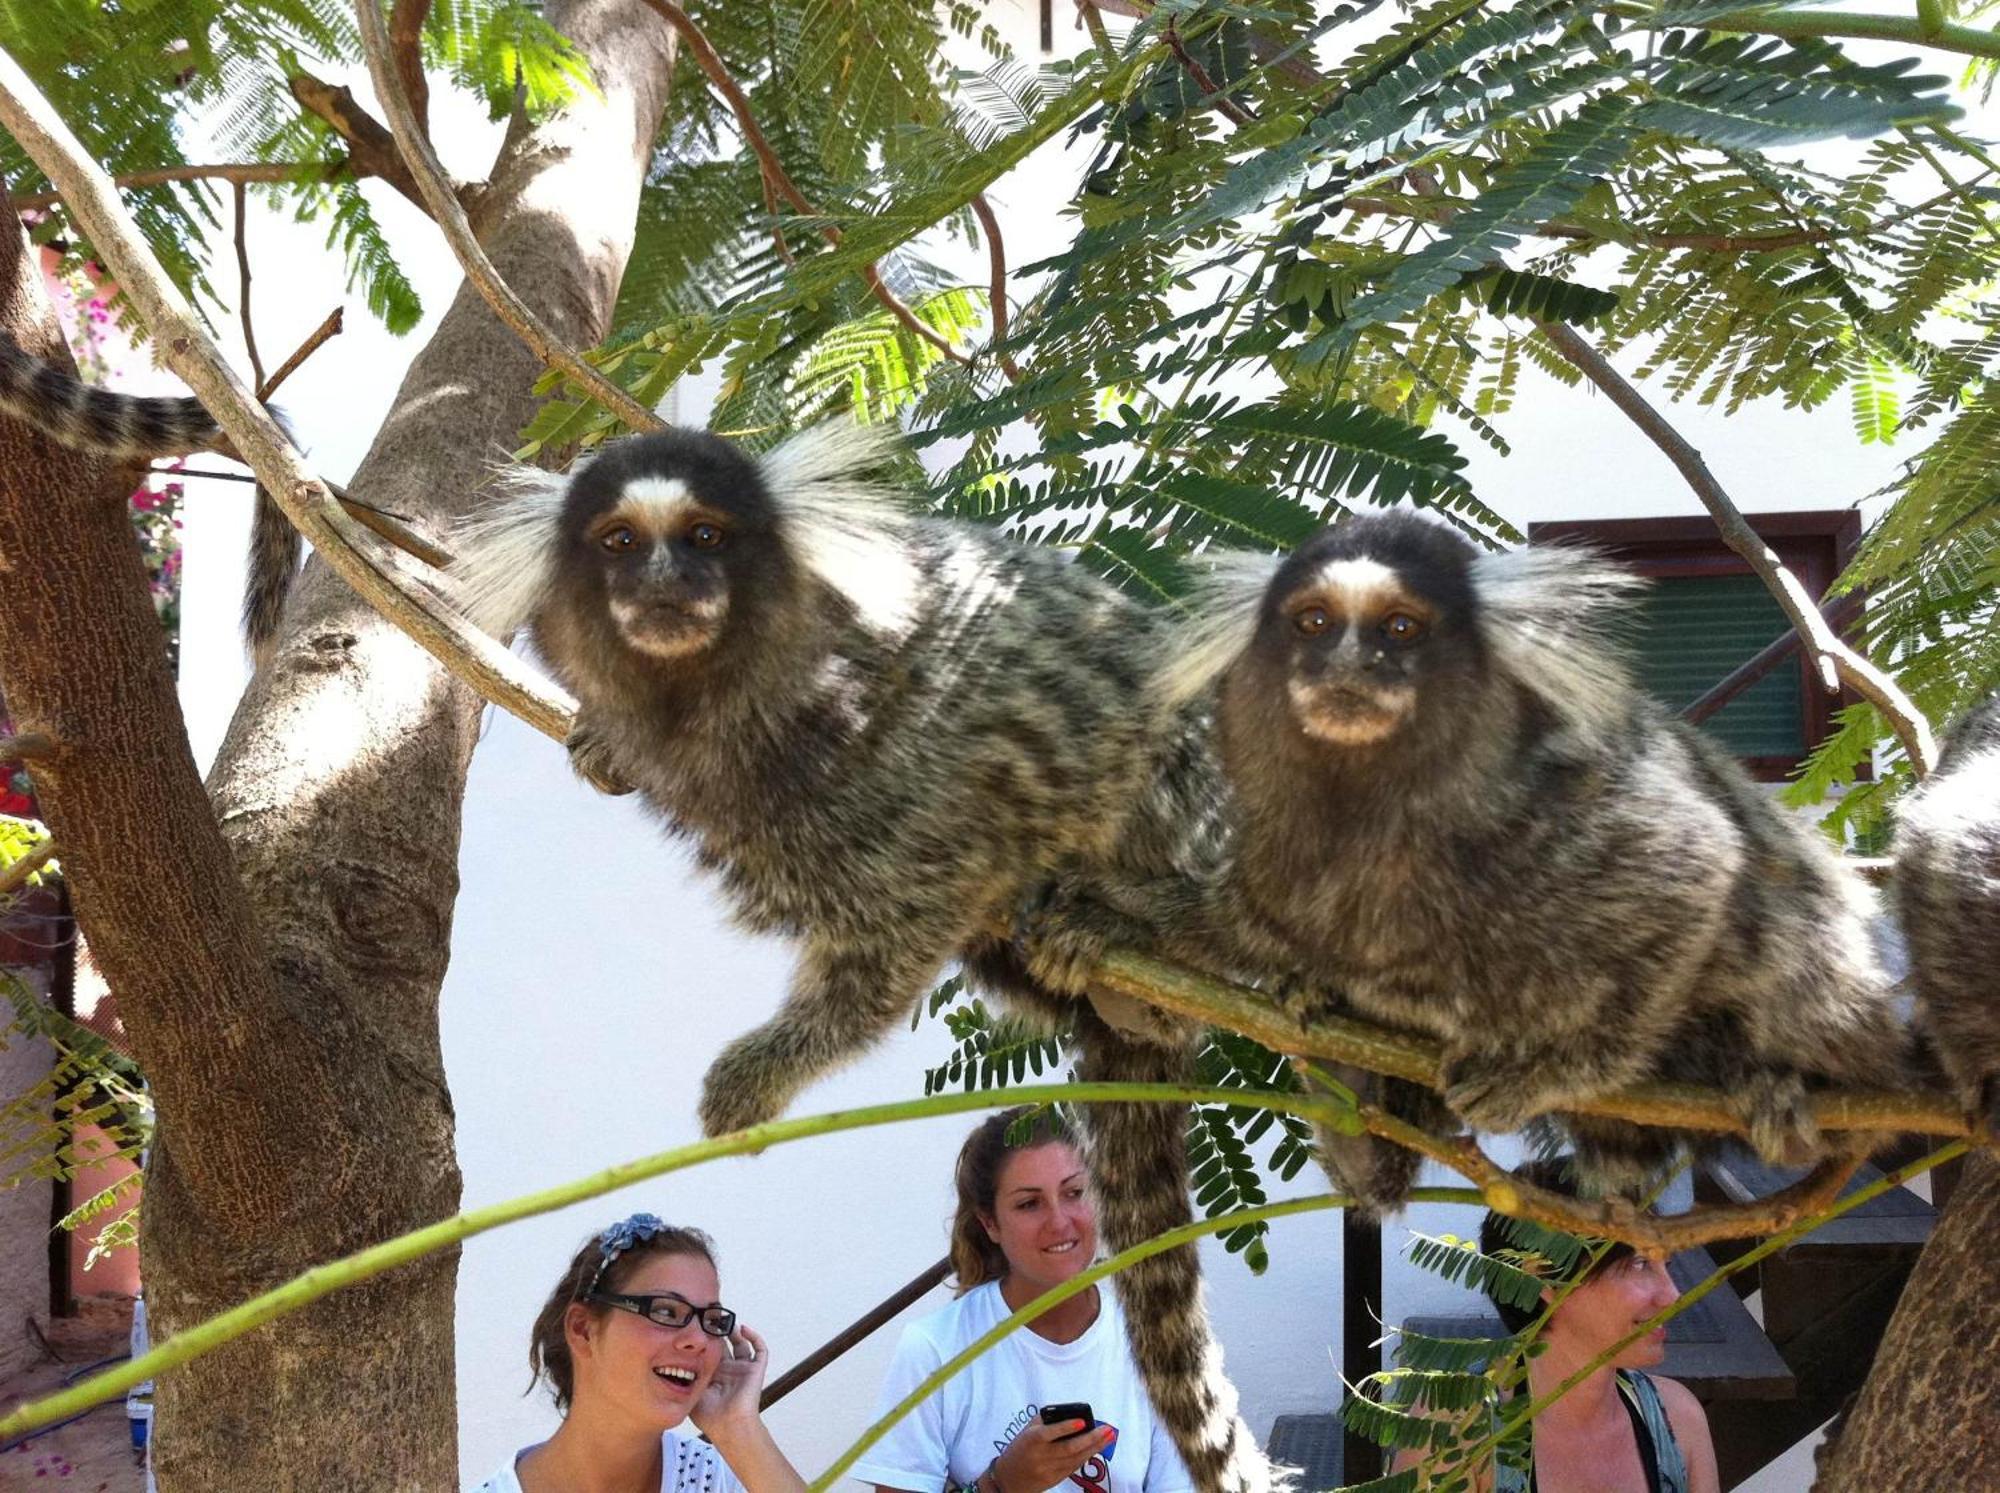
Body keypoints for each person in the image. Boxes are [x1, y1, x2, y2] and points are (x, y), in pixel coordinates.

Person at [854, 1108, 1193, 1493]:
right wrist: (1001, 1484)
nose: (1060, 1221)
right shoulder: (935, 1351)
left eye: (1074, 1193)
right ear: (990, 1224)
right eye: (1029, 1204)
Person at [1393, 1166, 1721, 1493]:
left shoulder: (1677, 1421)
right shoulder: (1457, 1431)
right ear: (1542, 1278)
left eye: (1667, 1264)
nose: (1673, 1294)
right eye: (1638, 1264)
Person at [474, 1213, 808, 1493]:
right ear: (583, 1329)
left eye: (712, 1321)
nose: (699, 1340)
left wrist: (738, 1428)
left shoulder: (718, 1479)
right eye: (665, 1312)